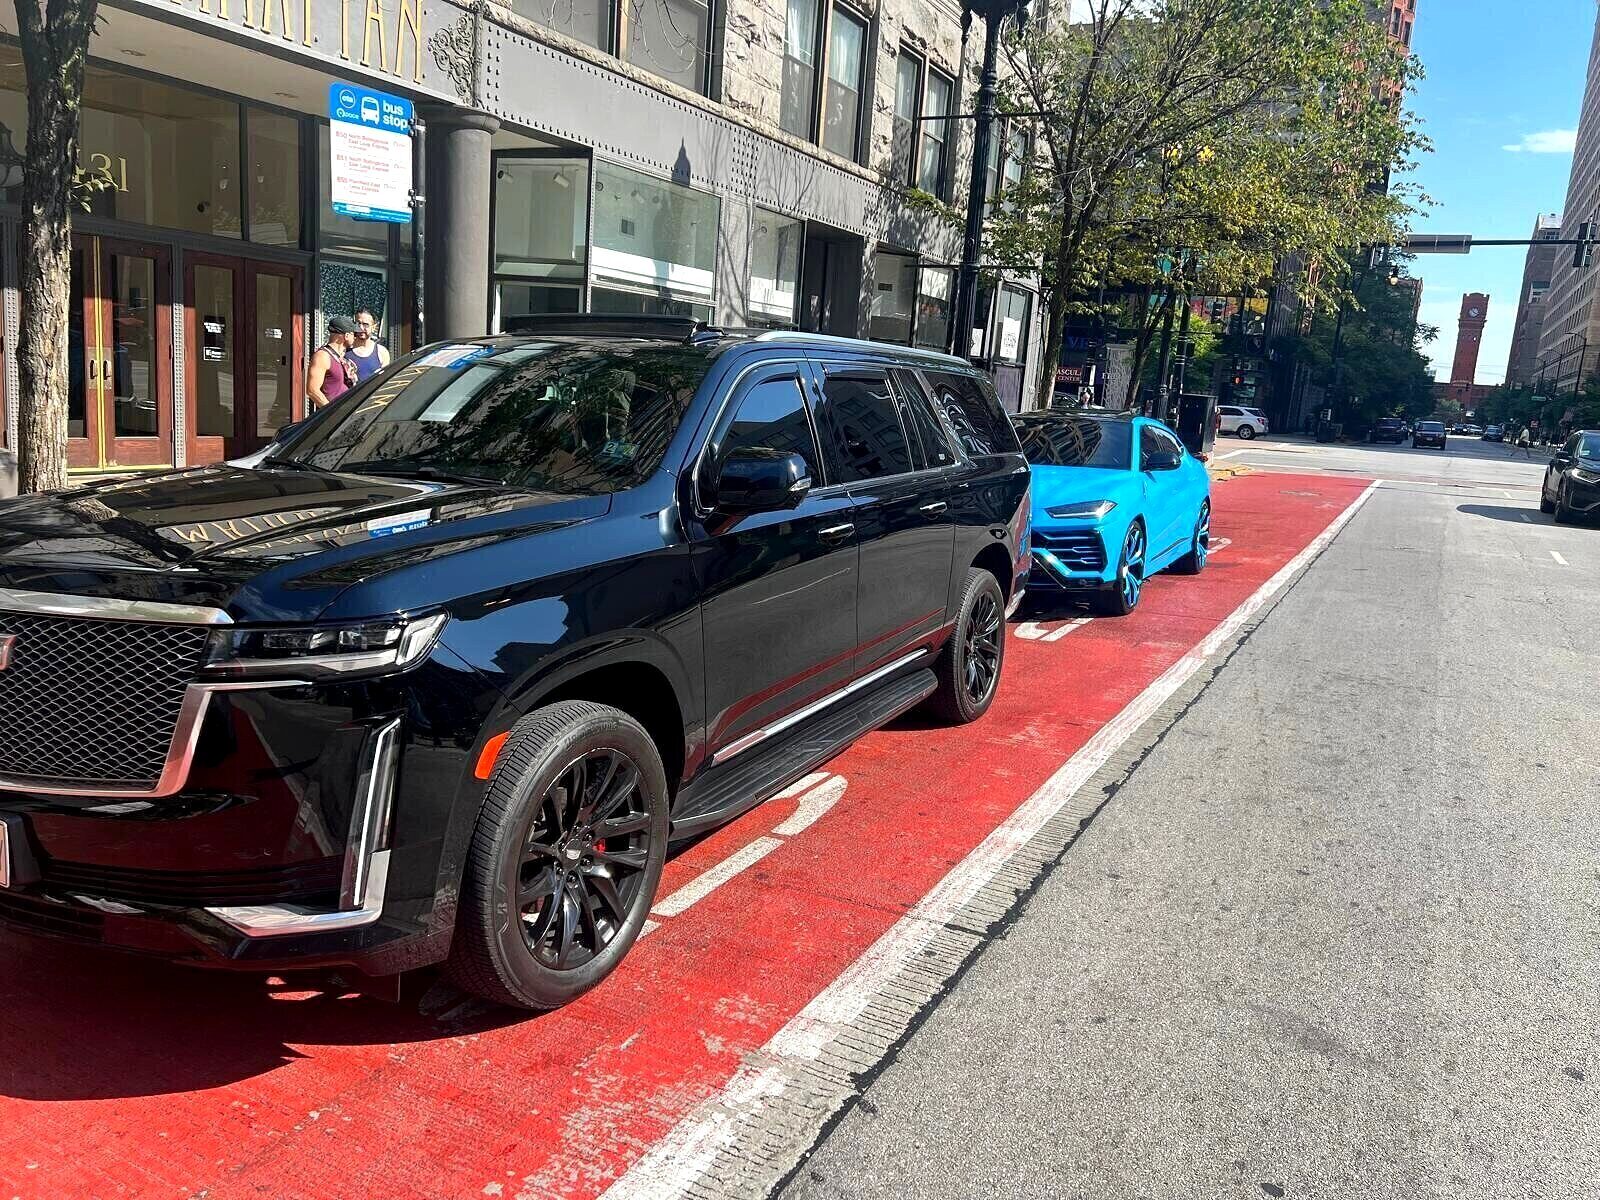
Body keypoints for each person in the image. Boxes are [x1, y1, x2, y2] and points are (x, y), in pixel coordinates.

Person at [307, 315, 358, 410]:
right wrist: (331, 412)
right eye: (353, 334)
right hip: (330, 419)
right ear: (346, 336)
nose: (355, 337)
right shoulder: (322, 356)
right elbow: (312, 390)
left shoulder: (342, 357)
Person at [348, 308, 391, 383]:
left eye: (365, 324)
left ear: (374, 327)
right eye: (358, 323)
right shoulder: (345, 350)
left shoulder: (381, 352)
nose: (361, 328)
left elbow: (384, 382)